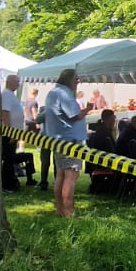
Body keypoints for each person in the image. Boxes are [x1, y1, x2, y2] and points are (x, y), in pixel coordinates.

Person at [43, 68, 95, 217]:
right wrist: (88, 109)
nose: (78, 82)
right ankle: (69, 212)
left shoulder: (53, 92)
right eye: (76, 79)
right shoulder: (64, 94)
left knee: (61, 175)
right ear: (69, 79)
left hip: (58, 139)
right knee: (71, 176)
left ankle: (60, 210)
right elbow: (75, 115)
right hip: (70, 141)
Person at [0, 74, 33, 192]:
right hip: (9, 134)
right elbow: (5, 113)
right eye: (17, 82)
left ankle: (10, 181)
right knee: (9, 159)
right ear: (9, 82)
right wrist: (10, 132)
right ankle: (7, 184)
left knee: (10, 157)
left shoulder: (11, 95)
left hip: (14, 133)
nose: (18, 85)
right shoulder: (6, 95)